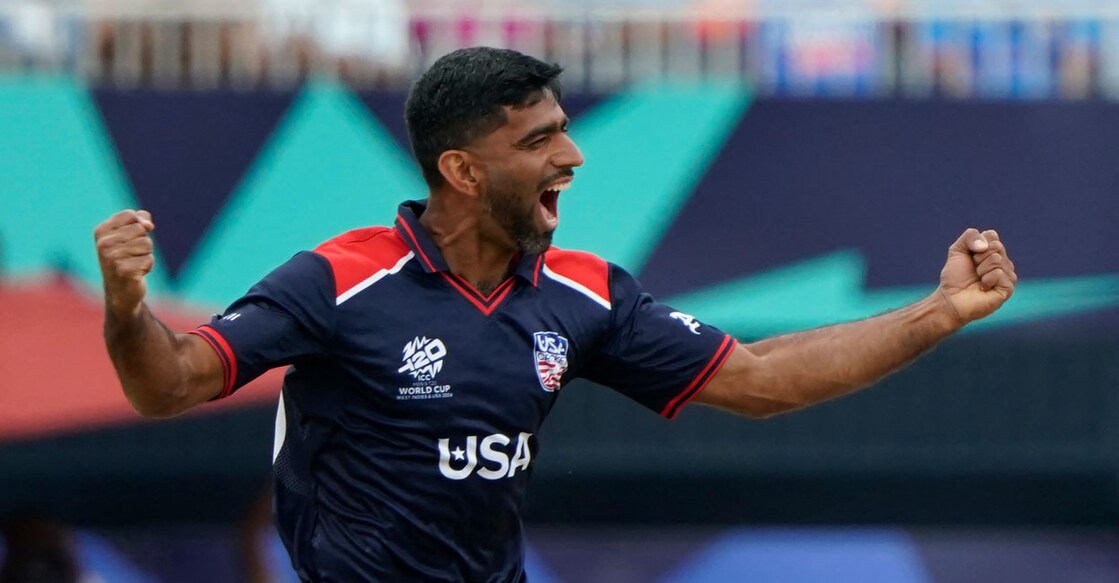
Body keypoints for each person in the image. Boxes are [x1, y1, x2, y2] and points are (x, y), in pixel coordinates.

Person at [93, 47, 1017, 582]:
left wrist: (937, 313)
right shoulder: (337, 279)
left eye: (565, 129)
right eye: (539, 140)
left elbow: (762, 380)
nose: (571, 155)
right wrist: (128, 307)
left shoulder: (581, 293)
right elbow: (169, 383)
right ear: (460, 171)